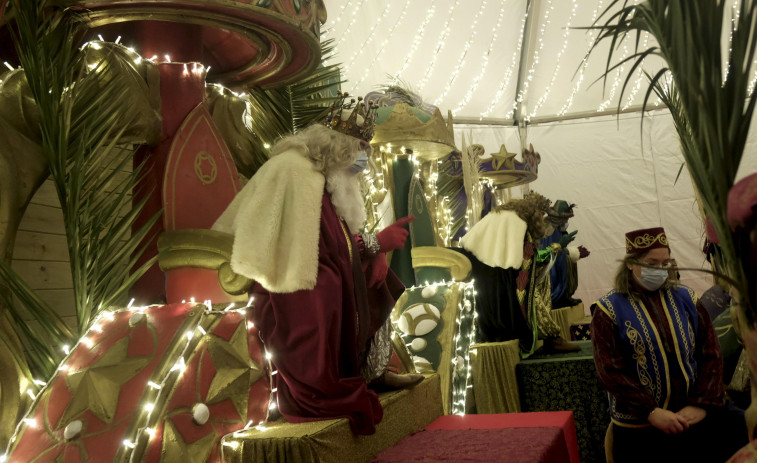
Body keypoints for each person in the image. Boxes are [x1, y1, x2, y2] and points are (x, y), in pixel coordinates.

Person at [212, 93, 422, 435]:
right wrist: (374, 244)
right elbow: (300, 259)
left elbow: (337, 246)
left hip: (313, 274)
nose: (363, 158)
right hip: (283, 288)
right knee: (326, 291)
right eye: (360, 149)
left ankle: (372, 371)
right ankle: (331, 382)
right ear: (338, 147)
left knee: (368, 279)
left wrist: (375, 251)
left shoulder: (326, 178)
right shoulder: (296, 172)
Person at [591, 227, 747, 462]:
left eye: (666, 262)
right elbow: (610, 372)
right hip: (641, 426)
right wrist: (651, 412)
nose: (660, 269)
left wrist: (701, 404)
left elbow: (710, 353)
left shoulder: (687, 298)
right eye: (652, 262)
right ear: (631, 264)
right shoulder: (608, 310)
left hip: (693, 414)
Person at [457, 192, 580, 355]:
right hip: (507, 289)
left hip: (486, 284)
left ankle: (551, 338)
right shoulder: (520, 225)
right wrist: (557, 246)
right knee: (539, 286)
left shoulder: (497, 216)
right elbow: (530, 261)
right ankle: (552, 338)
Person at [539, 200, 590, 309]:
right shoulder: (549, 229)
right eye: (565, 219)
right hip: (546, 265)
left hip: (554, 256)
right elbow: (548, 251)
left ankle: (565, 295)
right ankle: (558, 296)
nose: (567, 222)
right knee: (566, 260)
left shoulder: (555, 227)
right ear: (559, 219)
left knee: (570, 260)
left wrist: (570, 251)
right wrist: (566, 251)